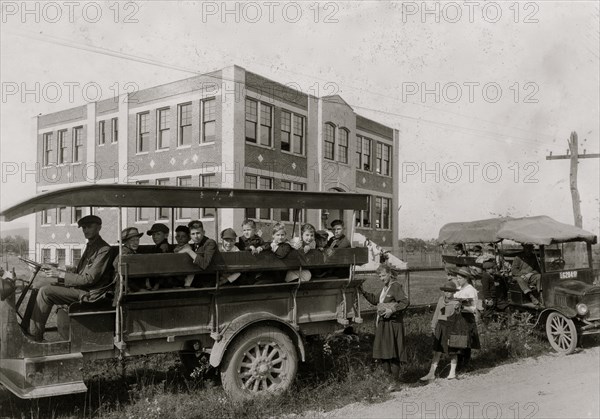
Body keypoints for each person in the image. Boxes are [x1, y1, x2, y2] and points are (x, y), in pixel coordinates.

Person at [31, 215, 114, 342]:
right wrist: (57, 270)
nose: (85, 230)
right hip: (81, 288)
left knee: (45, 292)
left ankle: (35, 338)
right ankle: (28, 329)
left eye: (89, 227)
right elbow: (78, 271)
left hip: (90, 294)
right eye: (84, 228)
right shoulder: (91, 246)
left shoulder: (104, 249)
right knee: (39, 284)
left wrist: (59, 274)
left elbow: (88, 279)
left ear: (99, 228)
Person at [358, 264, 409, 382]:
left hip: (393, 324)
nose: (381, 278)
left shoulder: (395, 286)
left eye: (383, 275)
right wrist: (363, 292)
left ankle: (394, 382)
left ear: (390, 274)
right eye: (380, 276)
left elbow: (405, 302)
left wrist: (391, 310)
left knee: (393, 352)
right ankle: (388, 380)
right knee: (384, 352)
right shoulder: (385, 288)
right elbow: (376, 300)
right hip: (383, 323)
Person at [420, 281, 462, 381]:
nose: (447, 293)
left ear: (453, 293)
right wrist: (433, 326)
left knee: (452, 351)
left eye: (450, 291)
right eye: (446, 291)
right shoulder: (440, 300)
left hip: (451, 328)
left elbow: (458, 319)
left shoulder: (456, 303)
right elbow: (436, 313)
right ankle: (431, 373)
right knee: (437, 350)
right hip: (440, 327)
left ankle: (452, 372)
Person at [452, 266, 481, 368]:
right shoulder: (458, 289)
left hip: (466, 318)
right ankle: (458, 364)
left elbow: (473, 308)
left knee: (466, 342)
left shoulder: (470, 290)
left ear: (466, 279)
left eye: (460, 278)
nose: (458, 280)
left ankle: (466, 364)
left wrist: (461, 306)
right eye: (457, 278)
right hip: (458, 318)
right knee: (458, 341)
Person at [181, 220, 218, 287]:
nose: (196, 236)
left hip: (207, 282)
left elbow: (205, 264)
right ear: (190, 235)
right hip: (196, 280)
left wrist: (189, 251)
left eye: (198, 233)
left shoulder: (210, 243)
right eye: (193, 234)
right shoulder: (195, 245)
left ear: (203, 232)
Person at [115, 227, 144, 292]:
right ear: (126, 242)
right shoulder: (125, 253)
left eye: (137, 240)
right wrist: (139, 289)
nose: (135, 243)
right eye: (132, 240)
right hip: (127, 287)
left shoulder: (132, 251)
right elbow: (117, 266)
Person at [145, 223, 173, 290]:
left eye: (158, 234)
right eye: (153, 235)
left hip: (163, 282)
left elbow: (163, 267)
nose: (155, 237)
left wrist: (157, 284)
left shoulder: (163, 248)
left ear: (166, 235)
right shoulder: (158, 247)